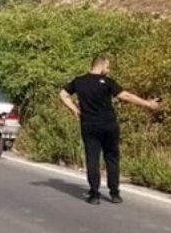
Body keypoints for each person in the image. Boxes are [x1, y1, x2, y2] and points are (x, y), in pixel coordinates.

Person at [60, 55, 162, 205]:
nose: (108, 71)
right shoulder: (107, 82)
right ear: (100, 66)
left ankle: (94, 195)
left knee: (92, 159)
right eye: (107, 67)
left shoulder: (79, 81)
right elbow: (125, 95)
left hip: (89, 126)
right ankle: (114, 193)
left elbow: (63, 94)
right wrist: (147, 104)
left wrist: (74, 110)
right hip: (109, 125)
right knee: (112, 158)